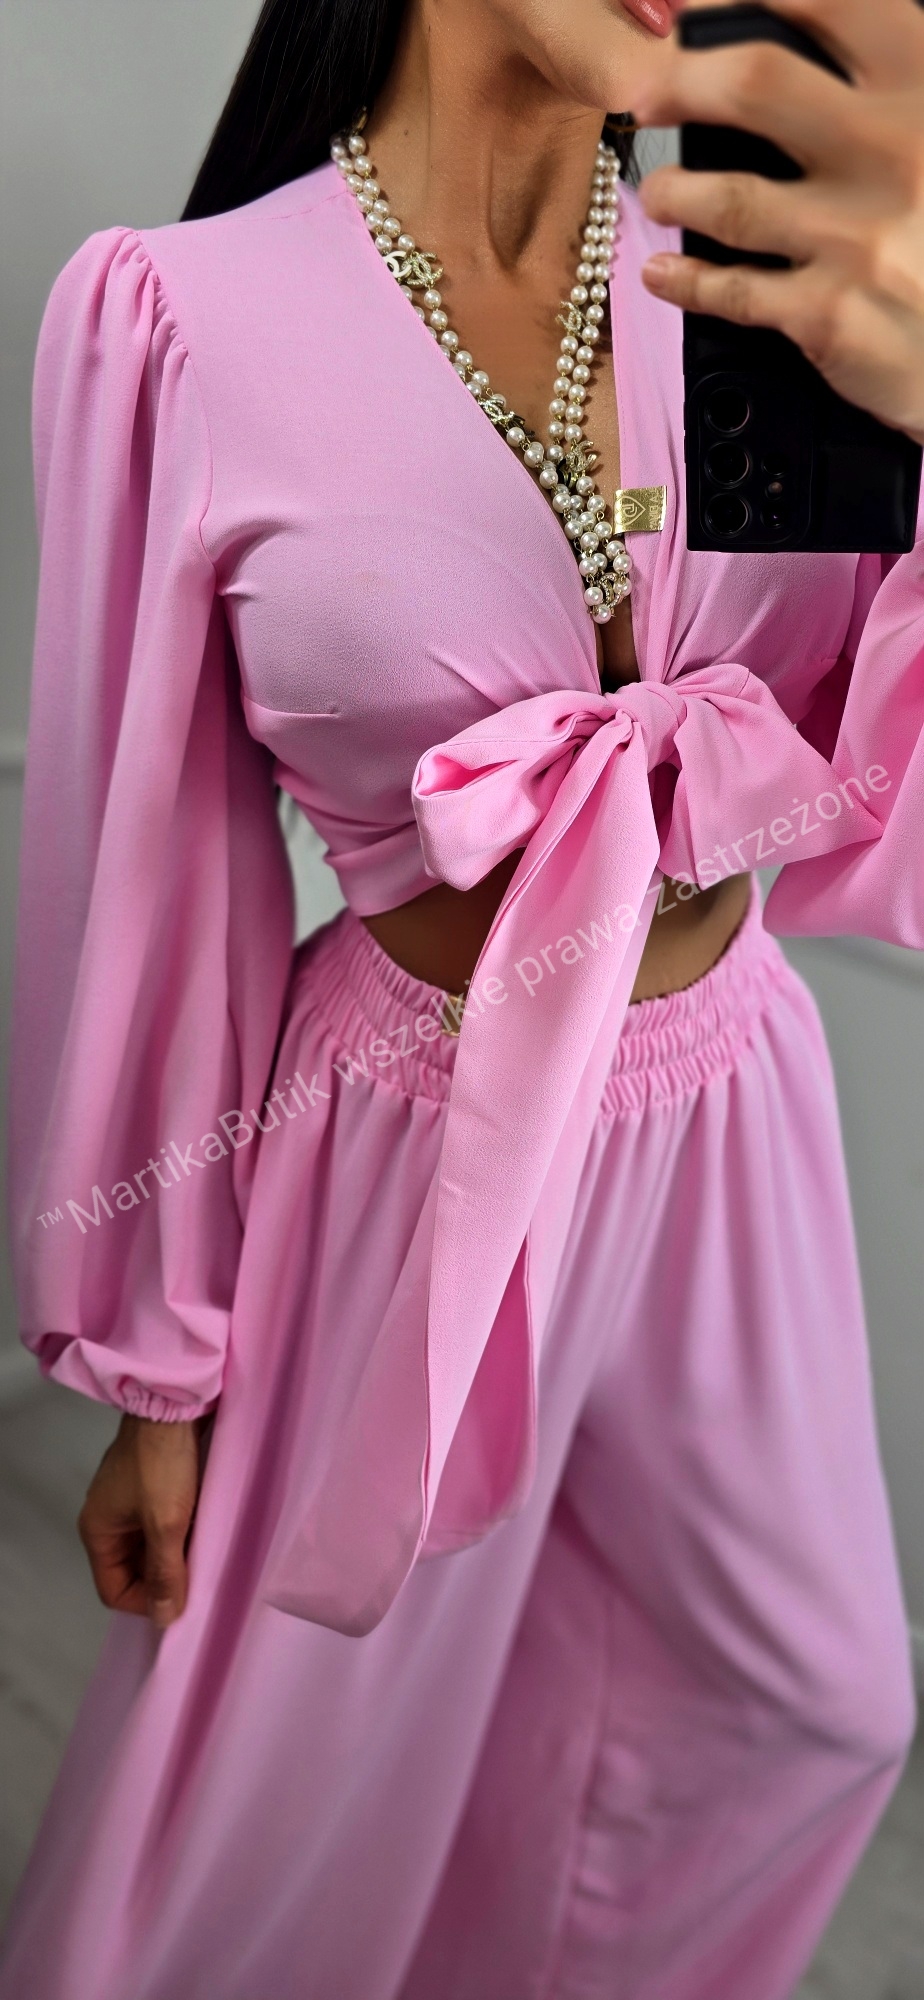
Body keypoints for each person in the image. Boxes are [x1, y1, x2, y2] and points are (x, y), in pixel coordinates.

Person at [2, 0, 922, 1993]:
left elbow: (878, 728)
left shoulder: (758, 255)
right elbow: (150, 873)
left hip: (726, 1107)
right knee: (268, 1806)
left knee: (811, 1697)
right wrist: (154, 1369)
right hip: (401, 1147)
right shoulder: (181, 321)